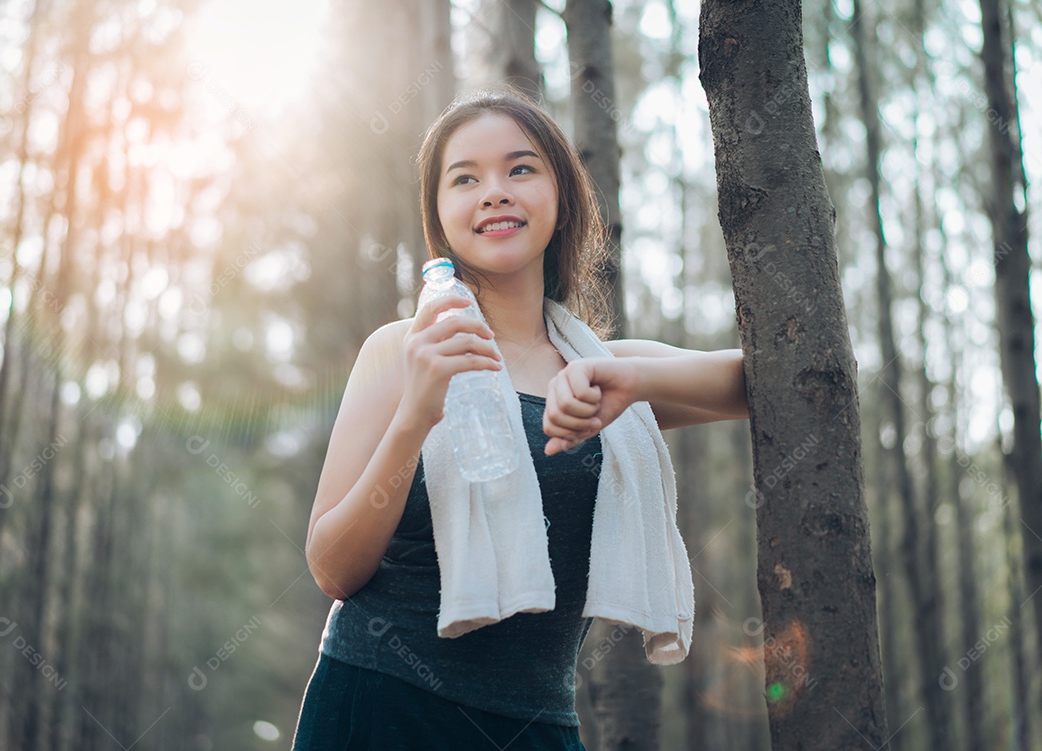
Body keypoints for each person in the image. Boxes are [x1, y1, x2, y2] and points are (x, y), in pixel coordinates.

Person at [291, 85, 748, 751]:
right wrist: (416, 414)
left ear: (561, 198)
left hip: (536, 725)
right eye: (465, 178)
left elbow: (767, 379)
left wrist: (631, 380)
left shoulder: (603, 368)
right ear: (441, 216)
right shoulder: (401, 351)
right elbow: (332, 569)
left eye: (520, 168)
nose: (495, 191)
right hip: (378, 703)